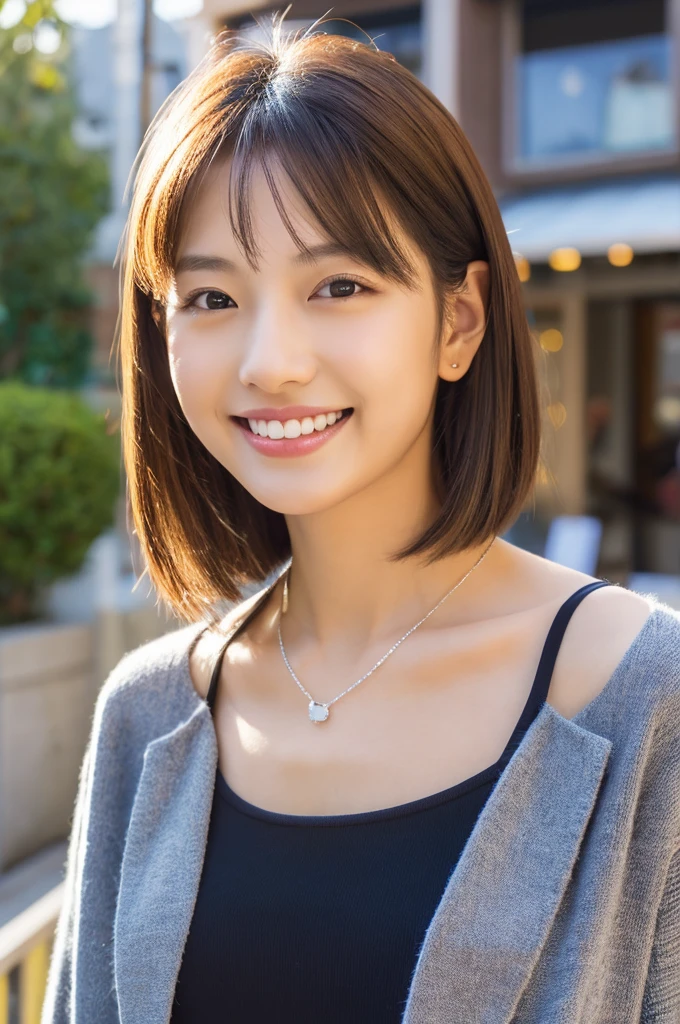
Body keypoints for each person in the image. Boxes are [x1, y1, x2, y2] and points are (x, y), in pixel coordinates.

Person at [41, 13, 680, 1024]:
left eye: (338, 284)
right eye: (210, 298)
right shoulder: (150, 713)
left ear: (458, 319)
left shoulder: (645, 701)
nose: (269, 360)